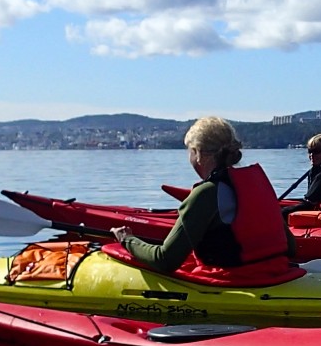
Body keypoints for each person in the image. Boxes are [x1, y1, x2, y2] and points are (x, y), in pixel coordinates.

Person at [111, 117, 291, 273]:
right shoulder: (256, 184)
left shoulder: (205, 193)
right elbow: (290, 246)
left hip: (236, 280)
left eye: (189, 150)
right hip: (278, 273)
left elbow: (165, 260)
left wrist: (127, 239)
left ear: (197, 154)